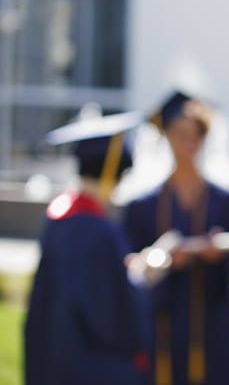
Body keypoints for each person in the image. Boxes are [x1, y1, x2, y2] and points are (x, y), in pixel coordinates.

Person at [122, 91, 229, 385]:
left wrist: (220, 252)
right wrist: (158, 260)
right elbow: (129, 257)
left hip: (213, 318)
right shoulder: (144, 204)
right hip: (163, 320)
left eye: (196, 136)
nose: (189, 144)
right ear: (166, 136)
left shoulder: (224, 200)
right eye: (181, 134)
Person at [25, 111, 151, 385]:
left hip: (55, 356)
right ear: (111, 174)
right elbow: (113, 311)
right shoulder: (98, 231)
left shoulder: (58, 219)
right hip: (93, 365)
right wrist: (142, 278)